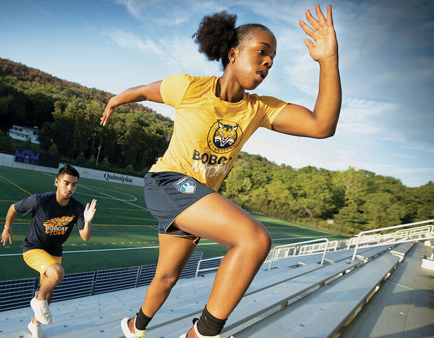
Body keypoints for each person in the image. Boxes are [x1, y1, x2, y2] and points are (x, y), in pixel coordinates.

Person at [101, 4, 340, 338]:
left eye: (272, 58)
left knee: (166, 278)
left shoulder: (259, 108)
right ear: (232, 53)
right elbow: (143, 91)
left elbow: (321, 125)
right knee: (254, 239)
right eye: (261, 53)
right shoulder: (187, 87)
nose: (268, 62)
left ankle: (133, 326)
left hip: (197, 198)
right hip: (167, 182)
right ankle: (202, 334)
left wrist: (328, 60)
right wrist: (115, 100)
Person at [0, 164, 97, 338]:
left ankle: (34, 325)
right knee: (57, 273)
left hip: (54, 252)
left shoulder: (77, 208)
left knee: (49, 293)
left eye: (74, 185)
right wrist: (7, 228)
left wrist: (87, 221)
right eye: (66, 183)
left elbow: (85, 237)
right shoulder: (40, 200)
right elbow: (13, 208)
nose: (70, 188)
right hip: (33, 249)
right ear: (56, 182)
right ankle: (37, 300)